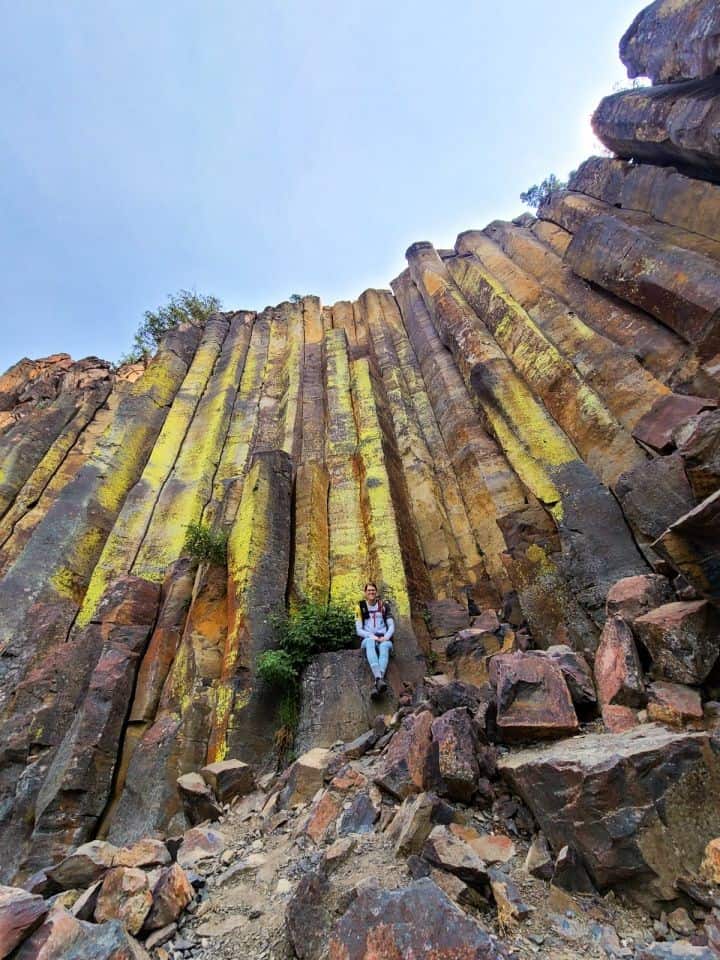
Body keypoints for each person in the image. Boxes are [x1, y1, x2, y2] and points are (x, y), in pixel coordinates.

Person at [355, 582, 394, 697]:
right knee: (370, 642)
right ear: (365, 593)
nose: (371, 592)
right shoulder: (361, 607)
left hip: (383, 638)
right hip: (368, 638)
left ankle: (378, 684)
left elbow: (391, 626)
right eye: (369, 590)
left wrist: (385, 637)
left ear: (376, 592)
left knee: (385, 646)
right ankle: (379, 678)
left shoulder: (383, 606)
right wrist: (372, 636)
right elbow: (359, 630)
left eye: (373, 590)